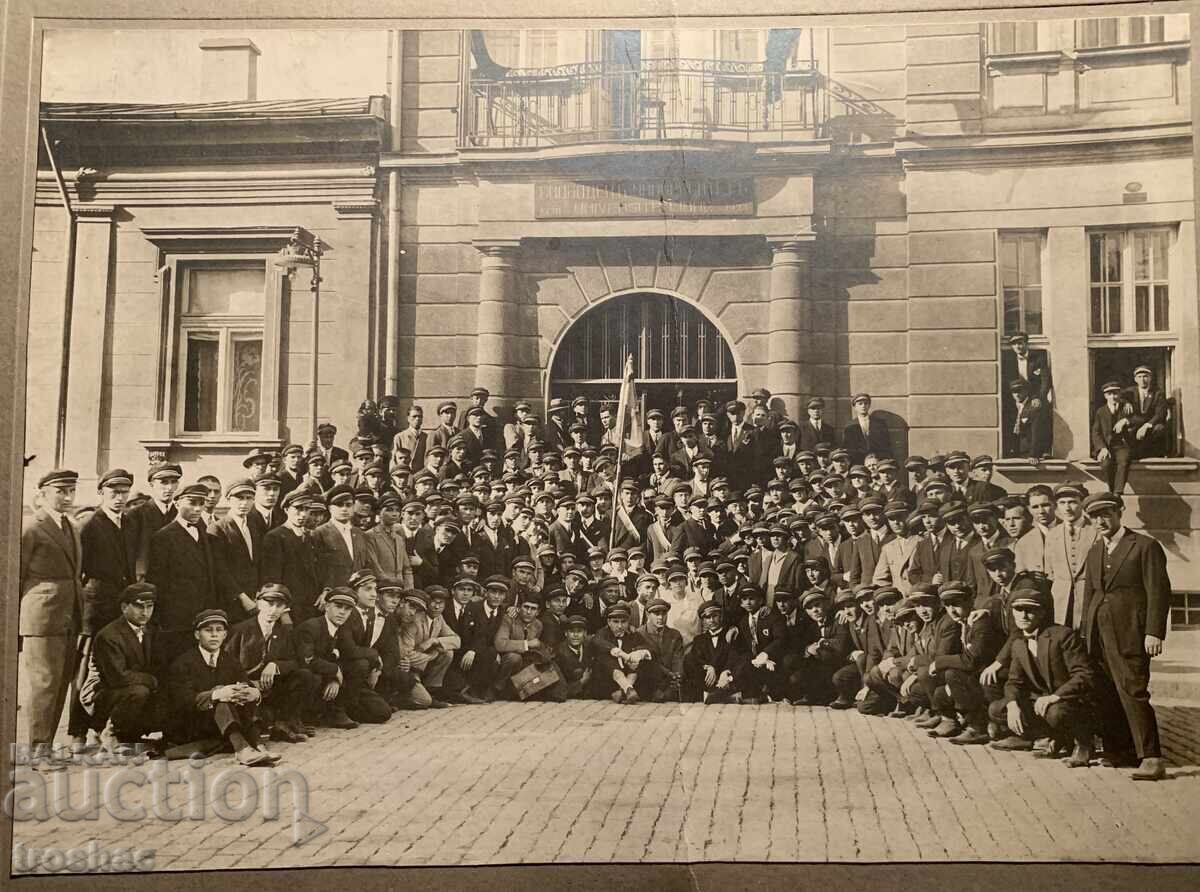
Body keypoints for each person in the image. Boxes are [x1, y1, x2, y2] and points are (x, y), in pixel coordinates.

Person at [1080, 492, 1170, 781]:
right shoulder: (1095, 551)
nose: (1100, 521)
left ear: (1120, 512)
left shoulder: (1144, 546)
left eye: (1106, 513)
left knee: (1133, 690)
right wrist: (1085, 633)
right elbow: (1090, 595)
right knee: (1106, 692)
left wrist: (1153, 632)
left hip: (1131, 632)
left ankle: (1151, 757)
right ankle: (1121, 750)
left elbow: (1158, 591)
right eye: (1094, 516)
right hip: (1099, 633)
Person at [987, 580, 1095, 768]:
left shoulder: (1063, 636)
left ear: (1042, 613)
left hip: (1072, 701)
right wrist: (1012, 705)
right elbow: (1014, 681)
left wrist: (1055, 697)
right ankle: (1053, 737)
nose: (1024, 615)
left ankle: (1083, 744)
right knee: (998, 709)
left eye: (1030, 610)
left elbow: (1084, 675)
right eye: (1018, 610)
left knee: (1056, 713)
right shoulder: (1019, 643)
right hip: (1043, 701)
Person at [167, 608, 280, 766]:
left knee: (243, 694)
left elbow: (244, 682)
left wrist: (253, 693)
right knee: (223, 699)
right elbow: (185, 701)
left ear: (225, 635)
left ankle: (257, 745)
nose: (214, 635)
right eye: (208, 630)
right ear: (197, 635)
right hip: (194, 724)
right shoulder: (183, 663)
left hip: (224, 724)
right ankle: (242, 749)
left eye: (219, 630)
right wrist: (218, 694)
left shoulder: (230, 660)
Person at [223, 583, 319, 743]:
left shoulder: (285, 632)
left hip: (272, 688)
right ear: (258, 602)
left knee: (305, 675)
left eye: (279, 606)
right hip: (246, 688)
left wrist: (276, 665)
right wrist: (247, 682)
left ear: (285, 609)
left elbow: (296, 661)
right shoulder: (240, 630)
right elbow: (226, 664)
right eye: (269, 603)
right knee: (255, 723)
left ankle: (283, 723)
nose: (273, 610)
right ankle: (264, 723)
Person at [147, 483, 226, 660]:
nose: (198, 509)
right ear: (176, 503)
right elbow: (158, 581)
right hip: (176, 620)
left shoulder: (203, 532)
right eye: (192, 503)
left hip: (202, 616)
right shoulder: (163, 537)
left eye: (201, 503)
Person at [92, 582, 166, 753]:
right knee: (139, 692)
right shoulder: (109, 636)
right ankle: (110, 732)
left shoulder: (153, 630)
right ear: (124, 607)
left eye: (149, 606)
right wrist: (152, 680)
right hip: (108, 694)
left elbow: (159, 664)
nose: (145, 612)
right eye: (139, 607)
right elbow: (118, 677)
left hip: (137, 689)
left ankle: (133, 734)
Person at [1043, 483, 1098, 629]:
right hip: (1060, 601)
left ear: (1082, 504)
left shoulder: (1096, 532)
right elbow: (1049, 571)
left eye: (1073, 502)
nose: (1067, 508)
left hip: (1088, 599)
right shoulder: (1052, 534)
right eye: (1062, 503)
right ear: (1057, 506)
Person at [210, 478, 261, 622]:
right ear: (228, 499)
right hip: (231, 600)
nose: (244, 503)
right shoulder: (218, 527)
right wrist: (242, 597)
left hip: (254, 598)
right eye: (239, 498)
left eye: (249, 498)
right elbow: (220, 569)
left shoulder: (254, 526)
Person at [684, 600, 750, 704]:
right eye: (707, 617)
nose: (711, 620)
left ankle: (716, 696)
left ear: (721, 616)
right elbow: (697, 659)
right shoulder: (699, 639)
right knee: (688, 659)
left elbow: (735, 657)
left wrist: (727, 672)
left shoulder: (730, 634)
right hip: (709, 681)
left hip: (727, 679)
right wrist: (708, 667)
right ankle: (722, 696)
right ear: (703, 621)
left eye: (714, 616)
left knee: (745, 660)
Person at [590, 601, 655, 703]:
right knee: (605, 658)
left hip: (628, 677)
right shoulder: (602, 633)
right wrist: (623, 654)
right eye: (616, 622)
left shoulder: (633, 634)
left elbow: (649, 647)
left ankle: (625, 691)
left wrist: (638, 654)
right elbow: (597, 642)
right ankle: (628, 689)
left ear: (628, 622)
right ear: (609, 622)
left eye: (623, 622)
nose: (620, 626)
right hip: (607, 683)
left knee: (637, 663)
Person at [1091, 380, 1136, 494]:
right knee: (1106, 464)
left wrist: (1126, 420)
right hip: (1107, 446)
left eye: (1115, 393)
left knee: (1123, 461)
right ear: (1105, 396)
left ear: (1120, 394)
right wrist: (1102, 448)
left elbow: (1139, 419)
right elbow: (1096, 431)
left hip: (1122, 445)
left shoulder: (1126, 408)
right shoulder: (1100, 411)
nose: (1113, 397)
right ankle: (1111, 490)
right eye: (1110, 394)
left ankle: (1118, 493)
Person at [639, 598, 684, 702]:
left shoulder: (675, 635)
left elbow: (678, 660)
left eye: (664, 613)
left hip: (670, 683)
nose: (661, 617)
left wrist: (677, 677)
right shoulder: (639, 634)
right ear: (647, 614)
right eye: (656, 613)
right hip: (649, 683)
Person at [1124, 365, 1169, 459]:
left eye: (1145, 376)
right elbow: (1119, 398)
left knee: (1159, 428)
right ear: (1135, 379)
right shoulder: (1130, 392)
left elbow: (1160, 414)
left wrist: (1147, 425)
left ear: (1150, 378)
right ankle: (1134, 455)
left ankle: (1156, 455)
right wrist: (1126, 402)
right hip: (1135, 424)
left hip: (1151, 424)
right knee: (1128, 431)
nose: (1142, 380)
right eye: (1139, 377)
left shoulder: (1158, 393)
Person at [842, 393, 891, 466]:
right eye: (860, 404)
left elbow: (886, 445)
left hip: (877, 461)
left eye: (866, 403)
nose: (863, 406)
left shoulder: (880, 424)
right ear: (855, 407)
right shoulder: (849, 426)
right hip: (857, 462)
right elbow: (847, 447)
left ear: (869, 405)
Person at [555, 615, 594, 699]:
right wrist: (582, 681)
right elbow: (560, 689)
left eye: (579, 631)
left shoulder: (589, 648)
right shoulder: (559, 654)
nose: (575, 635)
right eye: (572, 631)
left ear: (585, 633)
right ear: (566, 633)